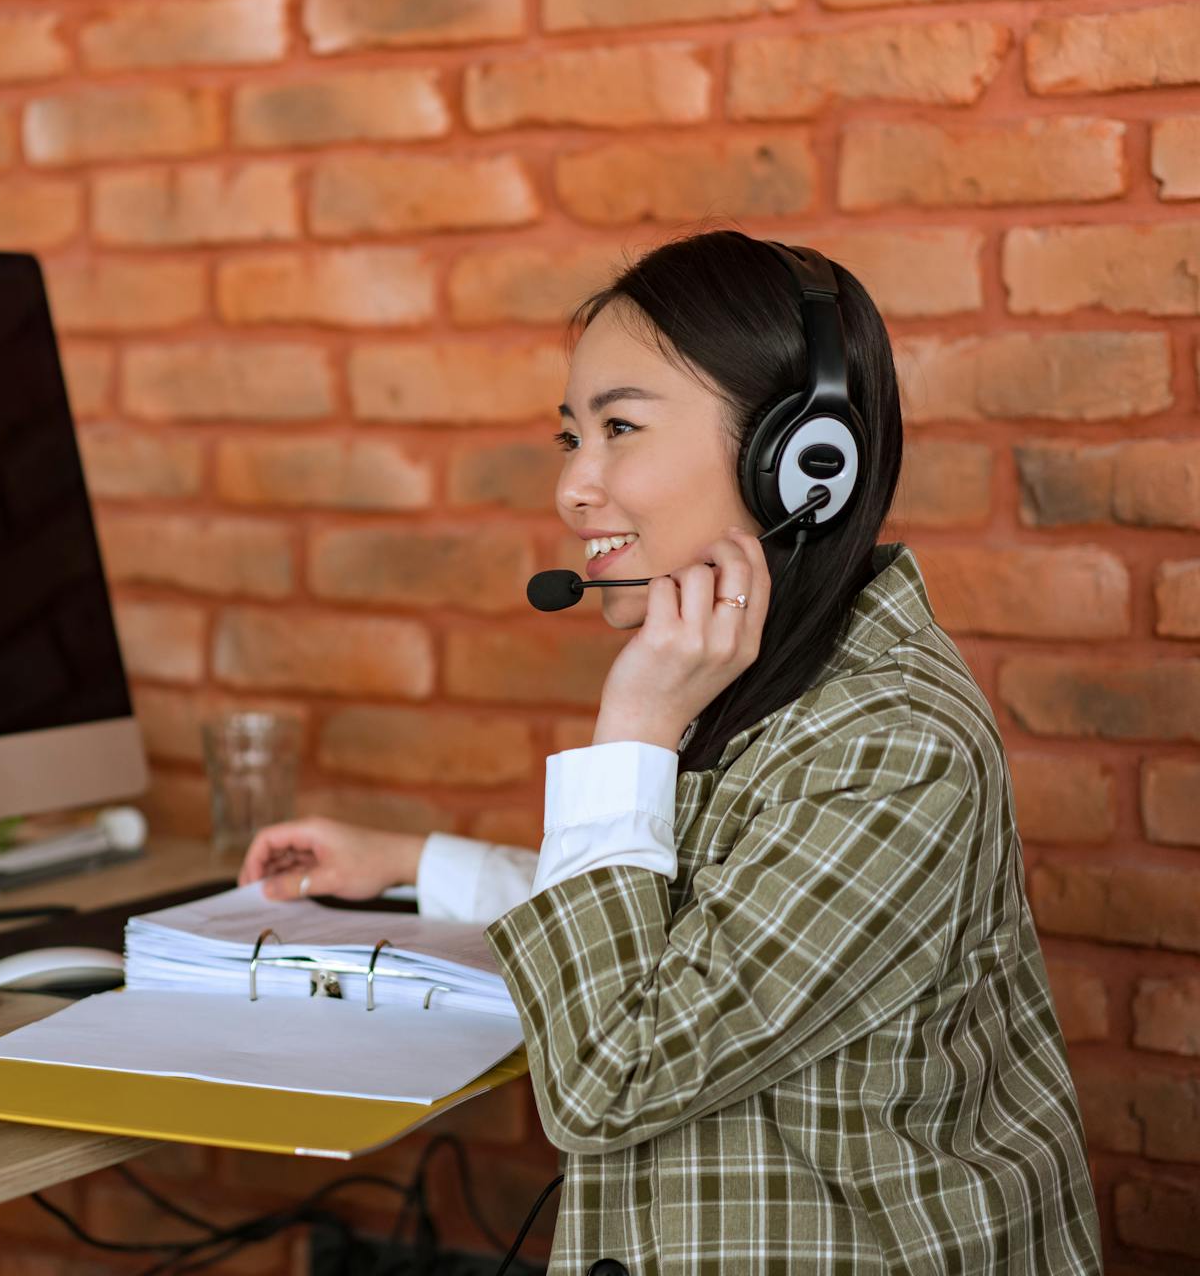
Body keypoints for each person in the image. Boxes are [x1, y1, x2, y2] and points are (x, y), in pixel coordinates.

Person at [237, 230, 1100, 1274]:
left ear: (799, 465)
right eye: (572, 436)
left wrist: (633, 726)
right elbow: (701, 924)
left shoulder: (893, 745)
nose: (574, 486)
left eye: (621, 427)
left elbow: (615, 1071)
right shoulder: (770, 684)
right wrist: (417, 862)